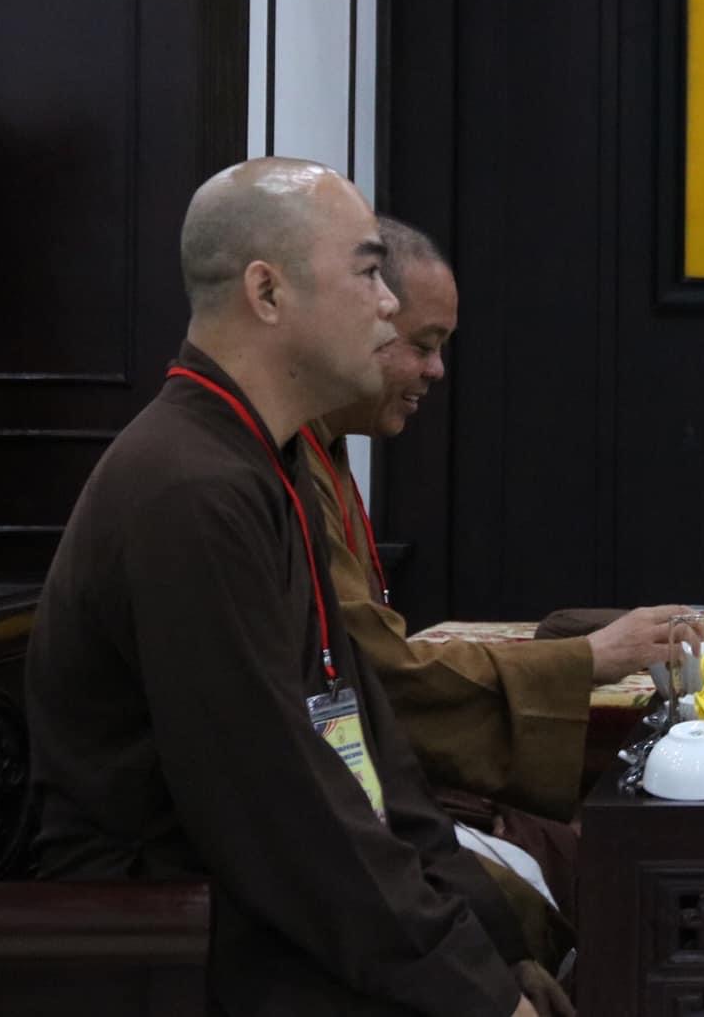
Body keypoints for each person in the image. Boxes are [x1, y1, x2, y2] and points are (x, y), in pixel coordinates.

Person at [27, 159, 566, 1017]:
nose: (388, 304)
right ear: (267, 292)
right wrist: (471, 989)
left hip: (268, 898)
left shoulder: (264, 460)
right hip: (172, 932)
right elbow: (278, 806)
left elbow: (368, 749)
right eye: (367, 272)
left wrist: (480, 937)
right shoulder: (188, 489)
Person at [296, 217, 686, 964]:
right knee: (559, 883)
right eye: (422, 344)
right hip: (305, 823)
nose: (437, 371)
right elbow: (366, 672)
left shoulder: (319, 454)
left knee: (583, 853)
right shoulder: (243, 471)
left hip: (360, 784)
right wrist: (588, 659)